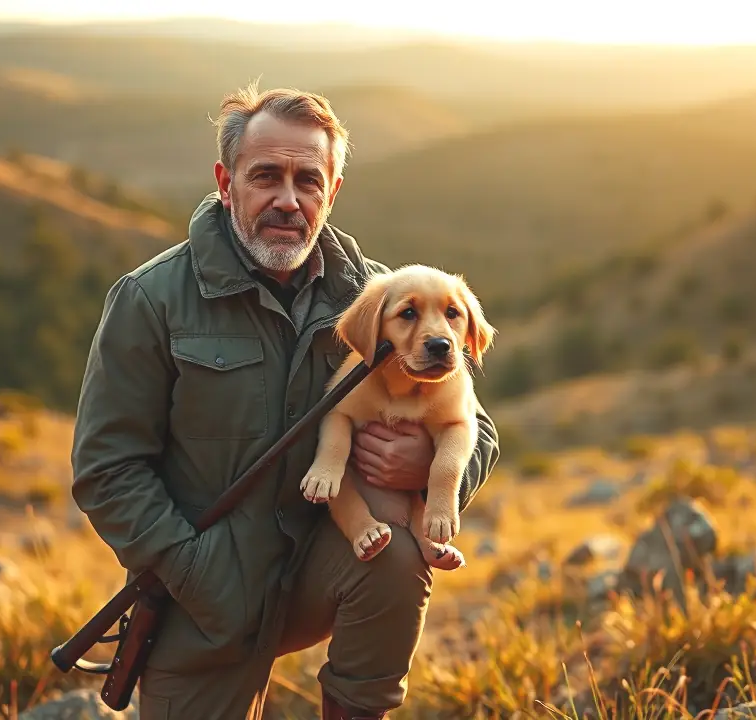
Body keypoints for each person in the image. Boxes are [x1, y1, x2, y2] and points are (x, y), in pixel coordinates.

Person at [69, 84, 500, 719]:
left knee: (396, 561)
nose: (288, 200)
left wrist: (426, 472)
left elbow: (476, 427)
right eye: (266, 176)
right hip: (205, 594)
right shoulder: (151, 299)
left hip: (328, 557)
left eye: (308, 180)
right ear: (226, 180)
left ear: (333, 191)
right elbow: (108, 470)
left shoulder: (383, 295)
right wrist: (198, 575)